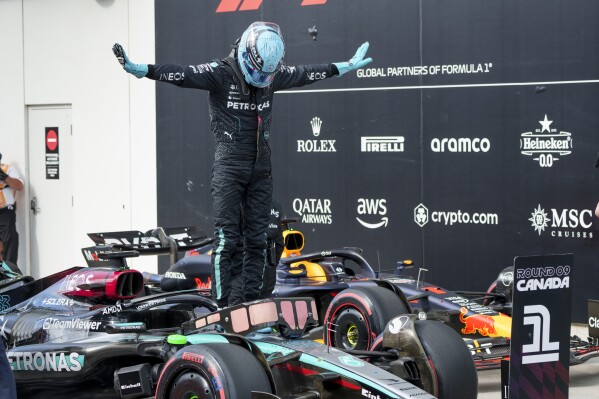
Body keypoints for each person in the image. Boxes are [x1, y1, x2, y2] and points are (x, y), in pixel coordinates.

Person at [113, 21, 372, 308]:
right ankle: (222, 308)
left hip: (261, 170)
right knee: (227, 240)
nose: (262, 77)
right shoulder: (220, 73)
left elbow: (305, 73)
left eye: (267, 73)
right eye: (258, 70)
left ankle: (254, 306)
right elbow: (182, 74)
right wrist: (144, 70)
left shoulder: (274, 76)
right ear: (246, 53)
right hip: (229, 169)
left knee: (259, 239)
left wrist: (342, 66)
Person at [0, 153, 24, 267]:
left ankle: (9, 278)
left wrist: (5, 177)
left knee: (9, 246)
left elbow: (19, 186)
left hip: (5, 213)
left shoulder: (8, 169)